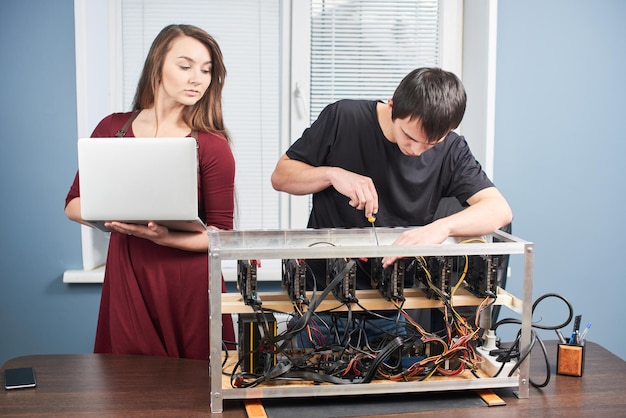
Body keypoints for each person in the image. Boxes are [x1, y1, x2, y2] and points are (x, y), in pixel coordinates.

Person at [271, 67, 512, 346]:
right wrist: (331, 174)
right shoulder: (343, 118)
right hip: (320, 300)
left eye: (431, 144)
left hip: (390, 308)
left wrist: (442, 228)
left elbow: (499, 209)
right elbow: (281, 176)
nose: (416, 150)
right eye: (409, 137)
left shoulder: (452, 150)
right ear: (392, 106)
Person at [65, 24, 236, 360]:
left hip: (189, 281)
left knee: (196, 391)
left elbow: (222, 236)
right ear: (158, 65)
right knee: (129, 386)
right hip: (128, 271)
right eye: (185, 66)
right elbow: (73, 203)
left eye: (206, 70)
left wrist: (162, 237)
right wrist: (117, 213)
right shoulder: (112, 129)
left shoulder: (213, 146)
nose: (197, 79)